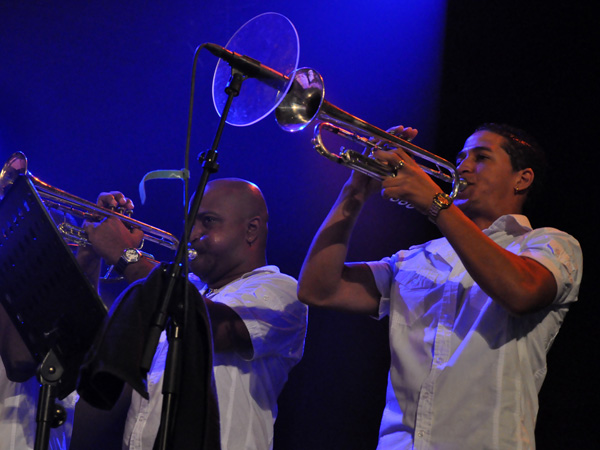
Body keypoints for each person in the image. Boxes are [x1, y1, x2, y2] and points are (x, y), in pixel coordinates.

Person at [297, 123, 583, 449]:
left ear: (522, 178)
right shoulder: (417, 257)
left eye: (482, 157)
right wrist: (356, 189)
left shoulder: (548, 244)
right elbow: (318, 289)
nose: (462, 166)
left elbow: (521, 291)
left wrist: (435, 204)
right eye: (461, 157)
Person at [81, 178, 308, 450]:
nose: (191, 234)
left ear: (251, 230)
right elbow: (93, 343)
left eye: (208, 221)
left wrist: (125, 254)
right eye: (191, 222)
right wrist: (91, 249)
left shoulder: (281, 290)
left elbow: (209, 327)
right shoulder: (188, 287)